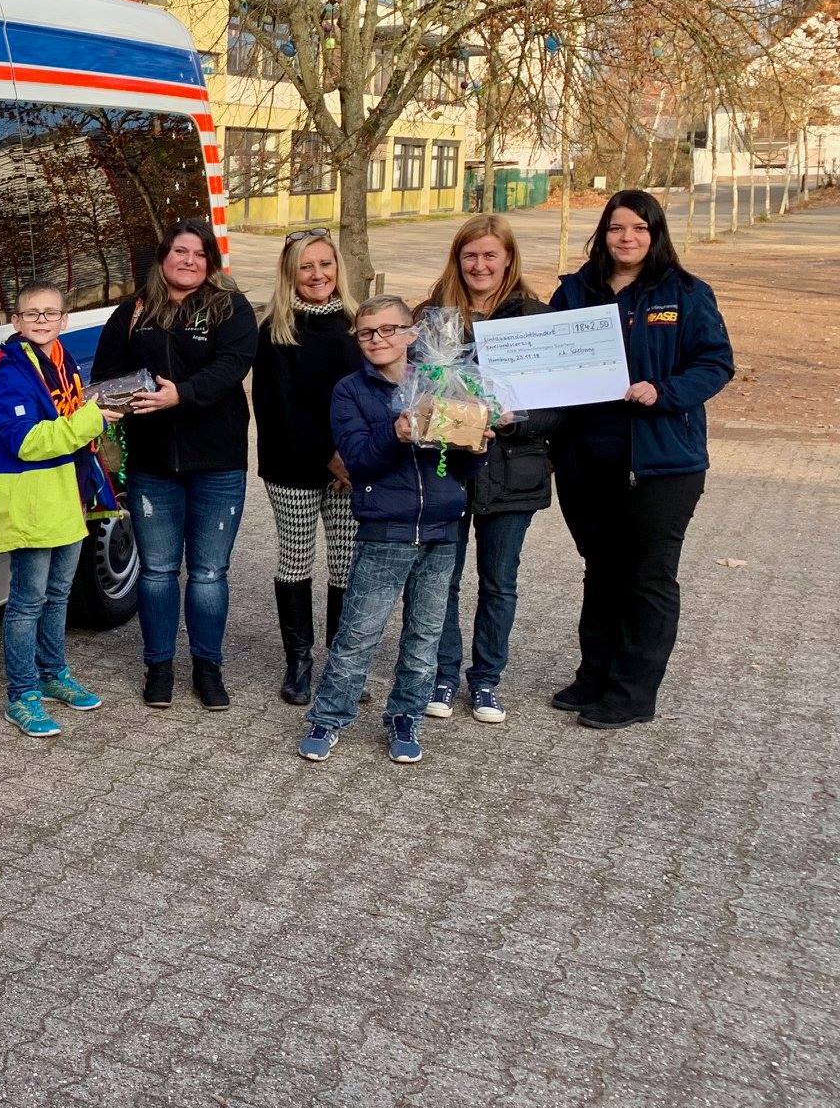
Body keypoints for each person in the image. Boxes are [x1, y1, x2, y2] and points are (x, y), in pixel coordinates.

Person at [547, 190, 734, 729]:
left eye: (639, 228)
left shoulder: (686, 293)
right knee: (601, 568)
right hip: (588, 459)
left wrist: (665, 392)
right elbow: (546, 360)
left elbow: (716, 364)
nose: (626, 238)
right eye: (615, 228)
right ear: (602, 234)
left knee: (649, 575)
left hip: (663, 463)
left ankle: (633, 692)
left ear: (656, 234)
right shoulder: (575, 292)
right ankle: (595, 675)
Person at [299, 296, 484, 765]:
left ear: (411, 333)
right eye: (367, 333)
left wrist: (477, 439)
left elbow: (462, 464)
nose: (378, 339)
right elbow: (359, 461)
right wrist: (396, 435)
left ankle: (406, 718)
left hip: (443, 528)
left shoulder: (444, 382)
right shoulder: (350, 391)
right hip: (385, 528)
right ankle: (329, 716)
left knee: (425, 635)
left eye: (388, 329)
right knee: (359, 632)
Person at [91, 219, 256, 710]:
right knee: (159, 571)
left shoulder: (231, 307)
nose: (189, 260)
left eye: (199, 254)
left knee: (208, 573)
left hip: (218, 462)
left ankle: (208, 667)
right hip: (152, 465)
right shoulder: (134, 311)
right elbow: (103, 376)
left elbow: (233, 366)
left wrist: (180, 396)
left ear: (211, 263)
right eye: (179, 252)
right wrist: (120, 399)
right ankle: (158, 666)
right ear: (162, 258)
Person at [420, 216, 561, 725]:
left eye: (489, 256)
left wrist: (514, 420)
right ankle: (440, 671)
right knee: (442, 578)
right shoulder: (431, 318)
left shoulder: (535, 319)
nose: (479, 265)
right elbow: (409, 387)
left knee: (499, 580)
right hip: (447, 469)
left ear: (508, 259)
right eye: (469, 256)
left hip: (512, 468)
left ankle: (485, 680)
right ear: (458, 260)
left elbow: (556, 406)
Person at [0, 281, 120, 737]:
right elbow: (27, 443)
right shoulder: (7, 373)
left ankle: (53, 674)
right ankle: (21, 695)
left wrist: (92, 413)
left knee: (59, 595)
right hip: (31, 500)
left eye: (50, 313)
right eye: (31, 313)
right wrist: (93, 417)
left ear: (64, 320)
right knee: (27, 602)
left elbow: (68, 420)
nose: (41, 320)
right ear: (16, 322)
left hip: (66, 497)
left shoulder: (61, 361)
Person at [251, 227, 361, 706]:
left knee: (346, 562)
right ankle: (299, 660)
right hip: (293, 464)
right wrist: (327, 455)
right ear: (290, 274)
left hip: (351, 470)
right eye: (306, 267)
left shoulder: (359, 324)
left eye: (326, 264)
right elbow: (278, 409)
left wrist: (353, 458)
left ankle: (341, 662)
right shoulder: (277, 328)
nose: (318, 275)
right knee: (295, 557)